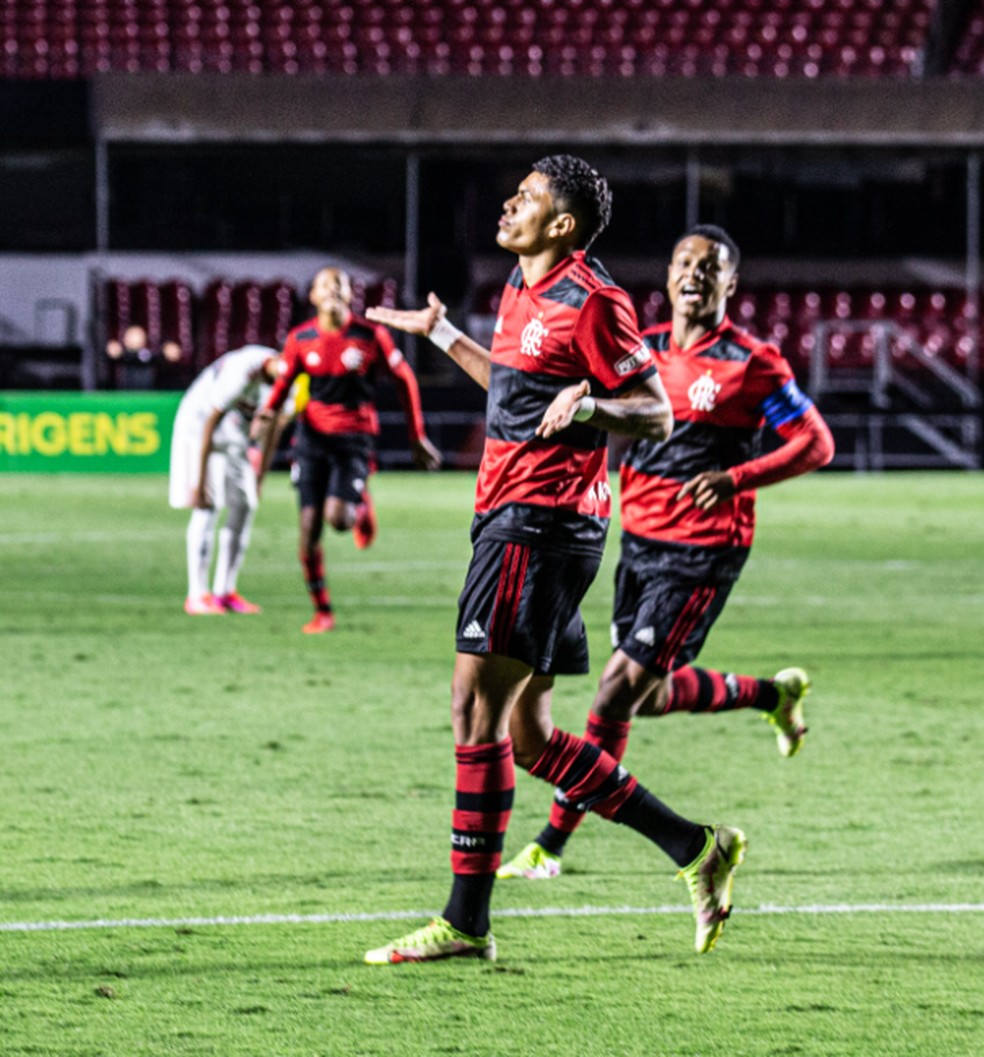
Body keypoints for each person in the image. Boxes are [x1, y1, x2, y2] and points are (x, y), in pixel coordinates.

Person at [361, 156, 746, 965]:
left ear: (562, 224)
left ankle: (466, 921)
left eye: (528, 197)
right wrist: (441, 334)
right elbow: (514, 389)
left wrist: (597, 403)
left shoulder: (593, 301)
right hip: (517, 519)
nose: (509, 203)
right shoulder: (520, 289)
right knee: (529, 736)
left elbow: (656, 412)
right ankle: (695, 847)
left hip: (539, 525)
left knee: (473, 711)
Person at [497, 224, 836, 883]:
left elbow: (816, 443)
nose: (694, 273)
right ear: (667, 274)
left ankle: (550, 844)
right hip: (640, 539)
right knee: (644, 698)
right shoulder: (643, 350)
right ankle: (771, 694)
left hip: (704, 550)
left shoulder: (752, 361)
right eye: (683, 260)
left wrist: (736, 478)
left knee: (616, 691)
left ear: (730, 284)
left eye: (710, 267)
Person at [251, 267, 442, 634]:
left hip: (354, 438)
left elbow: (405, 379)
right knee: (308, 530)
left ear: (350, 294)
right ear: (312, 296)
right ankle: (322, 610)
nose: (332, 289)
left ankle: (359, 501)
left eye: (339, 284)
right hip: (311, 439)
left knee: (338, 520)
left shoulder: (371, 336)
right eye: (324, 284)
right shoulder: (300, 338)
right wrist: (268, 412)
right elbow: (283, 383)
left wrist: (417, 436)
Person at [168, 344, 284, 615]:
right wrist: (198, 482)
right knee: (208, 506)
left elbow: (273, 430)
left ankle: (225, 592)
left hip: (234, 434)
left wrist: (260, 478)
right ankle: (196, 595)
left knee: (246, 504)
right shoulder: (242, 370)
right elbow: (211, 418)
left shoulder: (290, 384)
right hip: (198, 429)